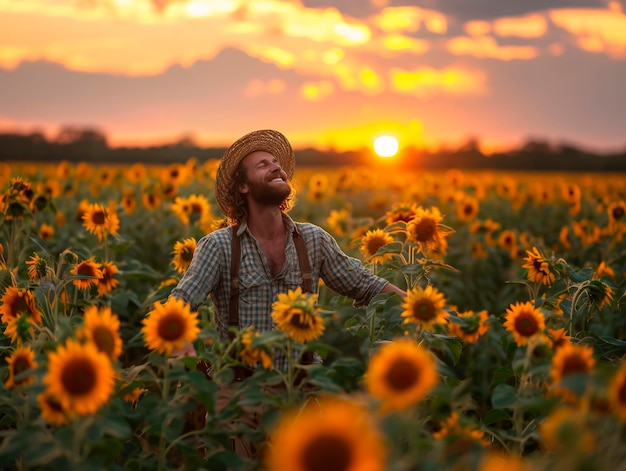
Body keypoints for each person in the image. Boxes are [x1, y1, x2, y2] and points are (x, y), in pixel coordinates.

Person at [170, 129, 406, 458]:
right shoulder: (220, 246)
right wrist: (184, 351)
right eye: (263, 164)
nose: (276, 167)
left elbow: (365, 284)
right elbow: (179, 304)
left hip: (302, 391)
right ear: (243, 186)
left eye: (277, 163)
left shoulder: (313, 240)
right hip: (240, 394)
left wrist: (420, 310)